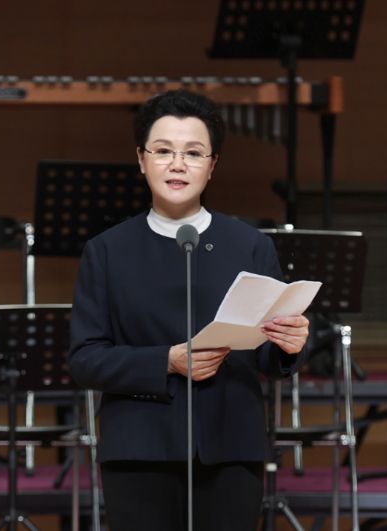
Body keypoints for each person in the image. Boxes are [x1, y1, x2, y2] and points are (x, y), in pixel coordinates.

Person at [69, 89, 310, 531]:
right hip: (139, 447)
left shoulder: (250, 245)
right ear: (141, 159)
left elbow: (265, 356)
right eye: (163, 151)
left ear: (212, 165)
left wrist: (288, 345)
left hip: (231, 444)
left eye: (194, 153)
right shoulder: (106, 251)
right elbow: (85, 359)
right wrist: (167, 360)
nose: (177, 164)